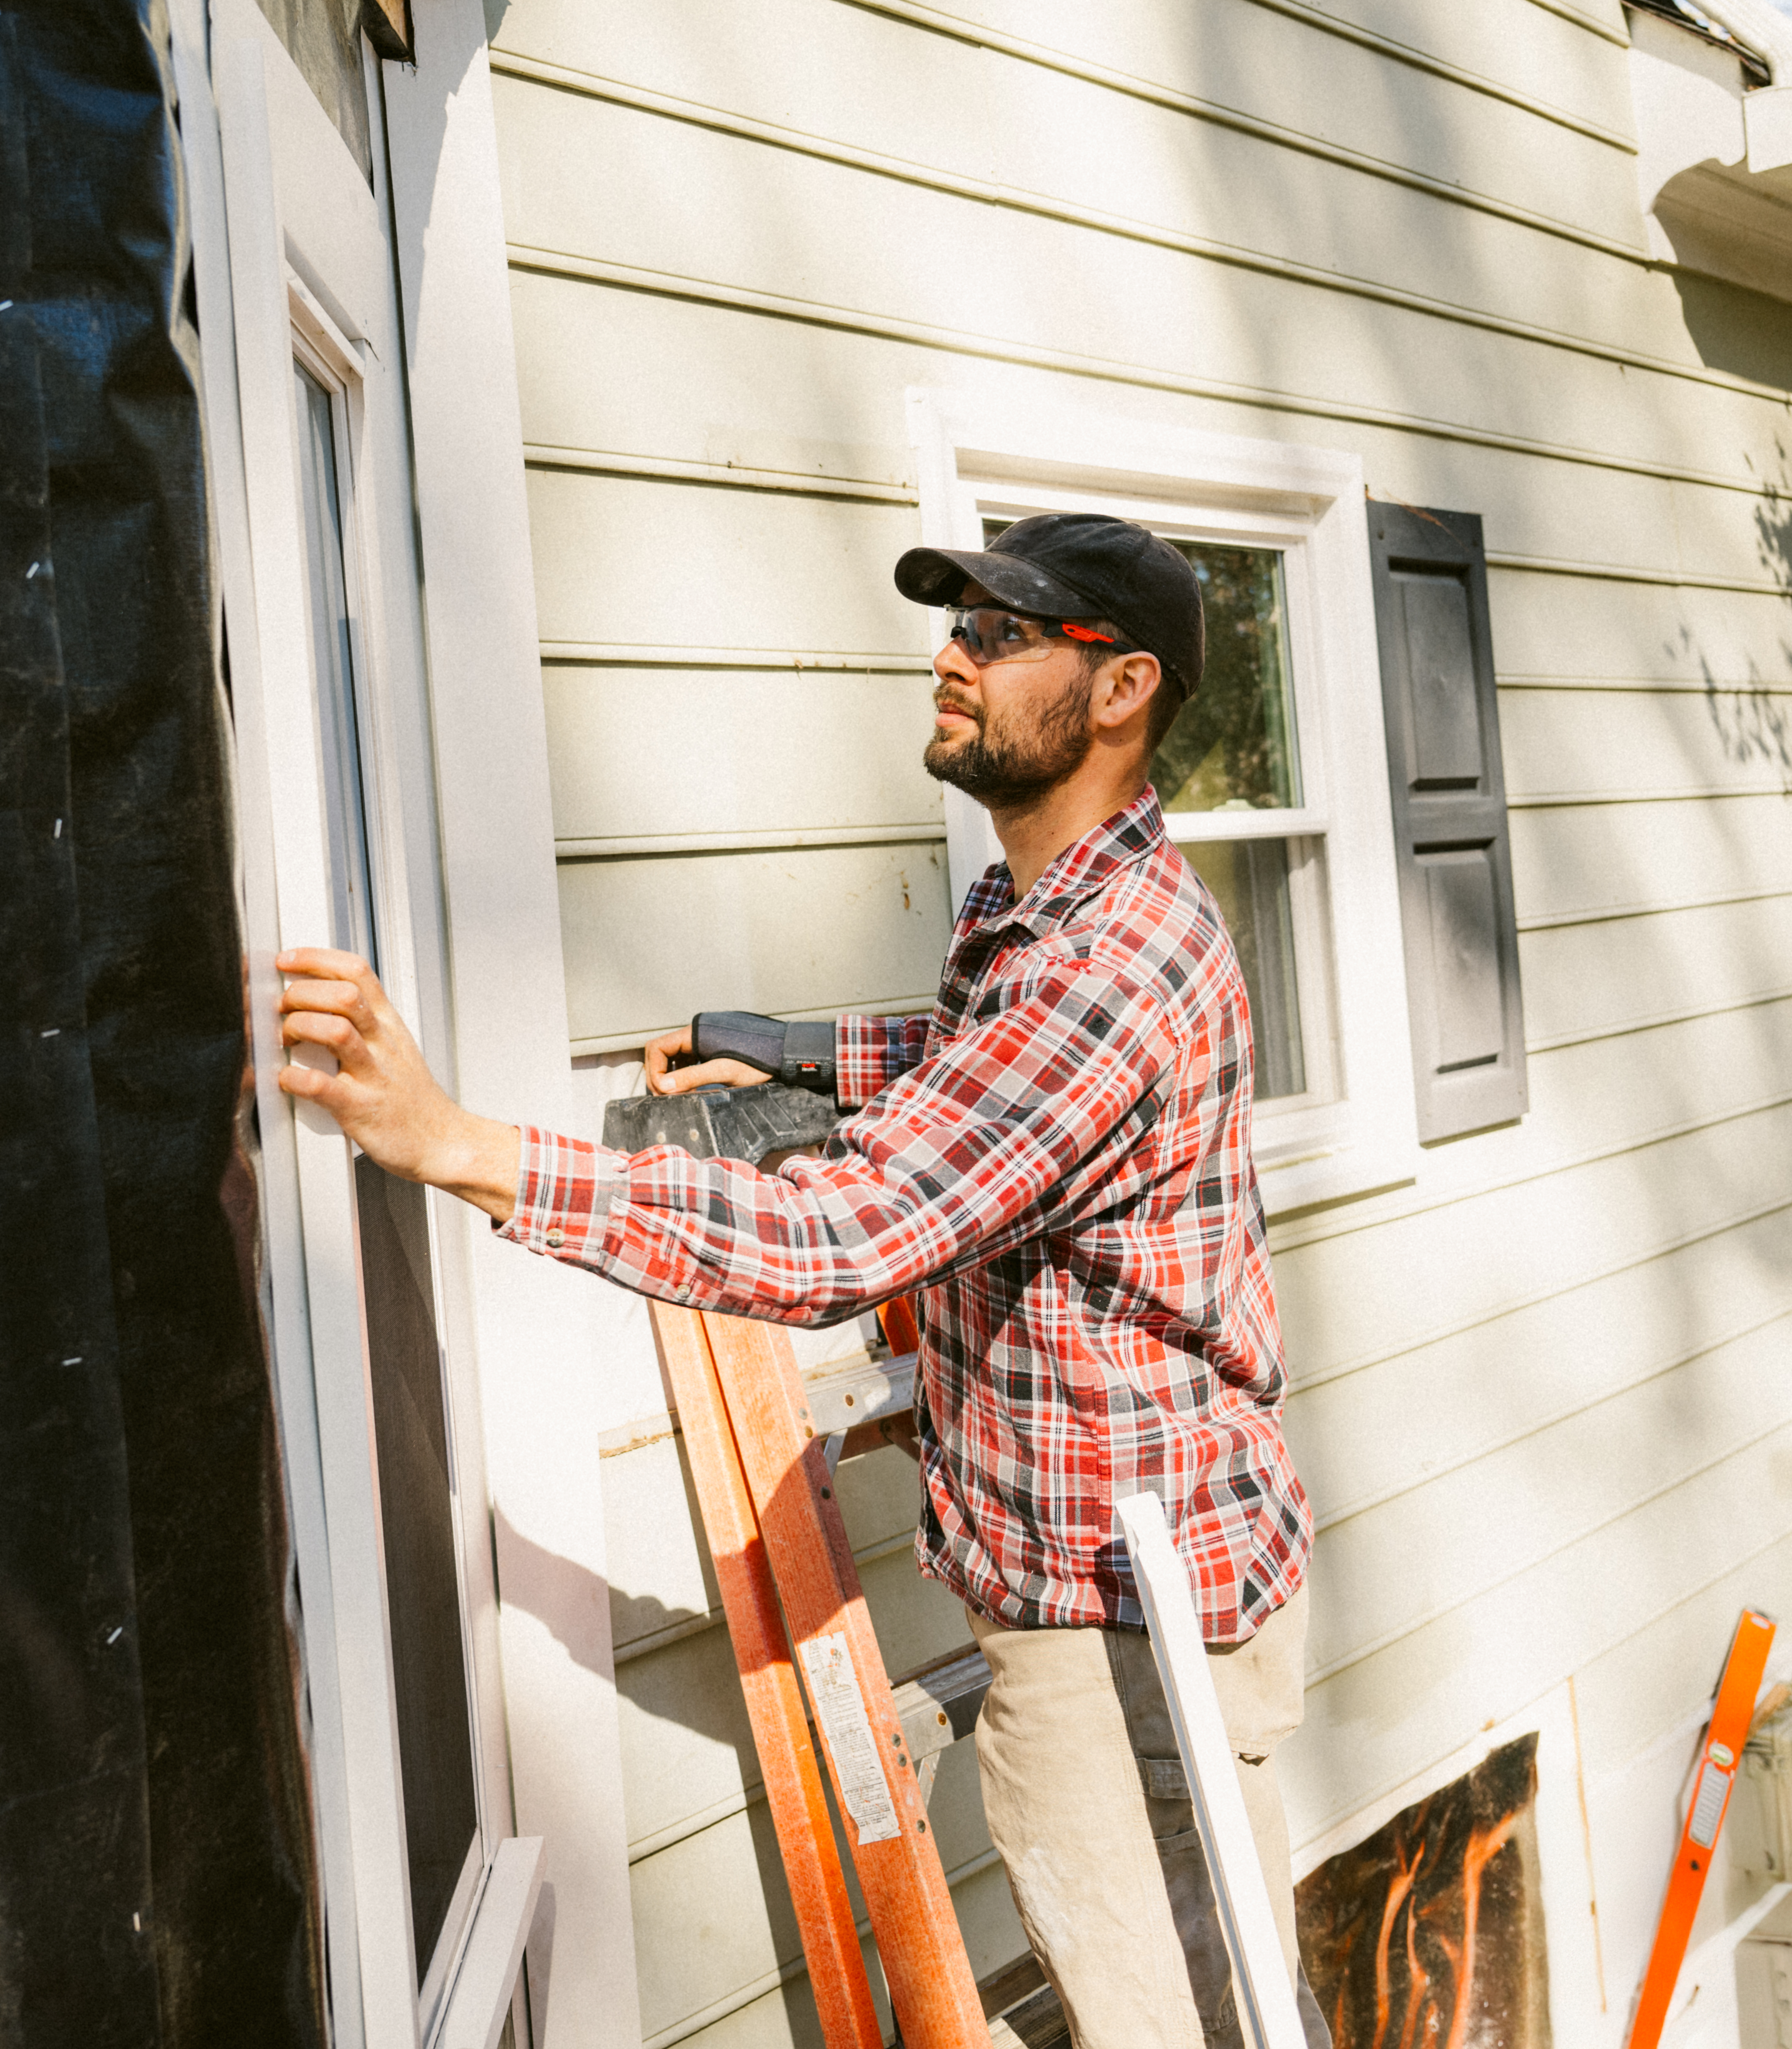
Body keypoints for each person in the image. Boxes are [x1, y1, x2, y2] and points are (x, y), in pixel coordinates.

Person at [272, 513, 1329, 2049]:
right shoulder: (1048, 910)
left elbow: (853, 1238)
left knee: (1192, 2028)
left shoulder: (1111, 966)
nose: (951, 658)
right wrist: (793, 1053)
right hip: (1111, 1589)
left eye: (999, 634)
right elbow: (982, 1076)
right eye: (954, 624)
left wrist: (465, 1150)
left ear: (1121, 693)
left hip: (1131, 1631)